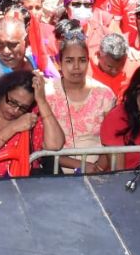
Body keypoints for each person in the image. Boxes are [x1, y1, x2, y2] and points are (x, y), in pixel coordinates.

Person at [0, 69, 65, 179]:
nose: (15, 111)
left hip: (25, 185)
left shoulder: (31, 116)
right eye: (12, 102)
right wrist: (13, 127)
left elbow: (55, 145)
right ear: (1, 92)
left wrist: (42, 101)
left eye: (23, 108)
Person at [45, 31, 116, 173]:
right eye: (69, 61)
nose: (76, 67)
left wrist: (98, 168)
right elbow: (42, 145)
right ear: (59, 63)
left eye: (82, 60)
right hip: (55, 173)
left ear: (88, 61)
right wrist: (81, 165)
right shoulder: (46, 94)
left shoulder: (105, 94)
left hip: (97, 174)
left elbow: (112, 140)